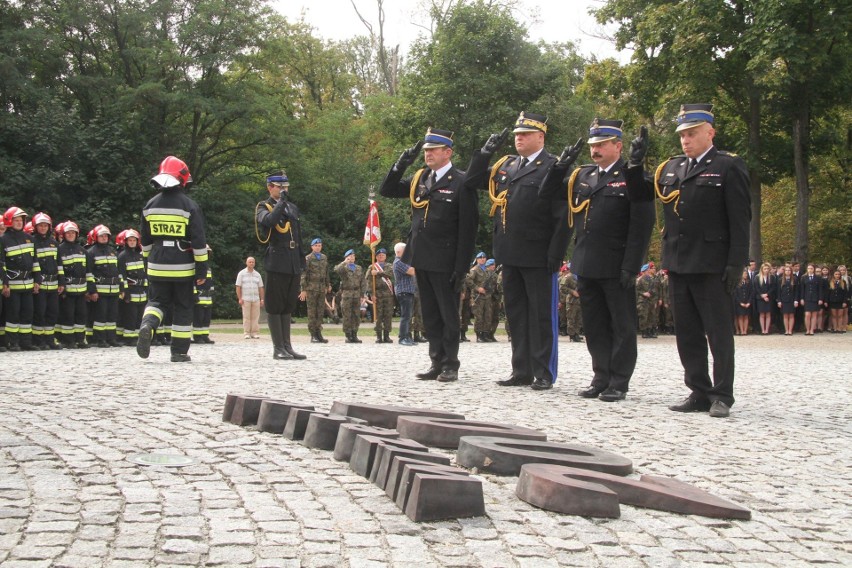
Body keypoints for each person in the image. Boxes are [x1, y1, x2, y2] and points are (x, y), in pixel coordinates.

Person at [629, 103, 751, 418]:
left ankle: (722, 394)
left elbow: (740, 220)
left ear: (710, 132)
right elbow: (641, 196)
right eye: (682, 134)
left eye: (692, 133)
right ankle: (698, 390)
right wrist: (634, 163)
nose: (685, 139)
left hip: (712, 263)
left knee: (719, 332)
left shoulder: (727, 166)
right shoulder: (671, 169)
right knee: (687, 333)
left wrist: (736, 263)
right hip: (679, 263)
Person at [539, 118, 654, 401]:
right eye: (593, 145)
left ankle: (619, 381)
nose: (596, 150)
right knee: (595, 325)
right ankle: (600, 375)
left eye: (602, 144)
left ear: (618, 146)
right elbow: (547, 193)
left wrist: (632, 264)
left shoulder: (632, 176)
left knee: (622, 326)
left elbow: (642, 225)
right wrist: (560, 166)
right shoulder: (583, 176)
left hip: (617, 264)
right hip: (586, 263)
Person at [467, 112, 570, 390]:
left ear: (541, 136)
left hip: (539, 254)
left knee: (541, 315)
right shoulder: (507, 166)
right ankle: (521, 370)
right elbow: (473, 180)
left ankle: (544, 372)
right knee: (516, 314)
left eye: (525, 134)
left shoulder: (554, 167)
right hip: (509, 252)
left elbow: (562, 216)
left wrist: (556, 253)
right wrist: (484, 153)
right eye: (516, 134)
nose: (519, 138)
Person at [378, 127, 479, 382]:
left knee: (447, 314)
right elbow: (387, 189)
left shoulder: (461, 181)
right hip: (421, 256)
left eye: (433, 150)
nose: (428, 154)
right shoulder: (421, 178)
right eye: (425, 150)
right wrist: (402, 162)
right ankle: (436, 360)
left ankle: (450, 364)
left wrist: (462, 267)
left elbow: (468, 229)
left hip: (446, 260)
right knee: (430, 314)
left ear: (448, 152)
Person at [136, 156, 209, 363]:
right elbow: (198, 241)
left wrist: (146, 263)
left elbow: (146, 241)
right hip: (182, 267)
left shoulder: (149, 205)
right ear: (183, 178)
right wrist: (201, 270)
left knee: (157, 302)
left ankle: (148, 326)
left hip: (157, 264)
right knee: (183, 307)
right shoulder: (189, 206)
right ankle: (178, 352)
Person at [255, 170, 306, 360]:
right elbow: (269, 222)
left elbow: (297, 234)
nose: (284, 190)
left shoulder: (292, 208)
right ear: (270, 187)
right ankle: (278, 348)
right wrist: (281, 203)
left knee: (287, 305)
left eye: (286, 187)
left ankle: (287, 346)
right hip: (277, 260)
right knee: (275, 305)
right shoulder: (264, 206)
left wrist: (301, 260)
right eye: (280, 187)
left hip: (292, 259)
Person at [1, 207, 39, 351]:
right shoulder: (3, 240)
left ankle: (26, 342)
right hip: (13, 284)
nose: (19, 223)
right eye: (16, 220)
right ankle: (13, 342)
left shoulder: (29, 238)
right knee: (13, 313)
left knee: (27, 312)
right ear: (9, 221)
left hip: (28, 283)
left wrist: (37, 280)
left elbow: (35, 261)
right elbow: (2, 264)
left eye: (21, 220)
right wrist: (5, 284)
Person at [31, 212, 62, 350]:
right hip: (41, 283)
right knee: (40, 312)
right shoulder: (32, 242)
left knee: (52, 312)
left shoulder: (54, 243)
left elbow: (59, 264)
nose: (43, 228)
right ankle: (39, 340)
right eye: (40, 226)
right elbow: (33, 263)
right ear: (35, 227)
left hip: (54, 284)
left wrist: (61, 282)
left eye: (45, 226)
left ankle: (50, 339)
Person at [87, 225, 122, 348]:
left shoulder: (112, 251)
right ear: (96, 237)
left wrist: (121, 288)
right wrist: (92, 291)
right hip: (100, 290)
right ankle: (100, 339)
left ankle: (111, 338)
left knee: (112, 315)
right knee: (100, 315)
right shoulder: (91, 252)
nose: (104, 238)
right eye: (101, 236)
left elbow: (118, 271)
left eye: (106, 236)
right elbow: (89, 273)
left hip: (114, 289)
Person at [117, 229, 147, 346]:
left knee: (140, 315)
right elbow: (121, 275)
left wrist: (146, 289)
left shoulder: (140, 256)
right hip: (130, 289)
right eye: (130, 240)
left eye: (134, 240)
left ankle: (137, 337)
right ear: (126, 242)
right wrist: (125, 291)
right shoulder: (122, 256)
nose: (132, 242)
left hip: (141, 290)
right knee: (130, 316)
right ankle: (129, 338)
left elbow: (144, 273)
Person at [299, 238, 330, 343]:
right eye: (316, 245)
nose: (318, 247)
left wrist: (327, 285)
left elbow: (326, 272)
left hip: (321, 288)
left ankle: (318, 333)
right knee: (312, 312)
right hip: (311, 288)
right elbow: (303, 274)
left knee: (320, 311)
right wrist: (303, 289)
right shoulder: (307, 258)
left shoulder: (324, 258)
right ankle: (313, 335)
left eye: (320, 245)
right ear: (312, 247)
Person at [335, 249, 365, 343]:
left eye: (353, 256)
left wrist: (363, 294)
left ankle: (354, 334)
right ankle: (348, 335)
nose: (352, 258)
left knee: (356, 315)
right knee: (347, 315)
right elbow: (336, 269)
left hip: (357, 294)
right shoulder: (344, 268)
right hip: (347, 294)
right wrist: (344, 262)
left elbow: (363, 281)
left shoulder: (358, 268)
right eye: (350, 256)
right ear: (346, 257)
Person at [366, 247, 395, 344]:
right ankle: (379, 336)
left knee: (388, 315)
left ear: (385, 256)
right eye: (379, 255)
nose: (381, 256)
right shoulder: (372, 267)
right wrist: (371, 294)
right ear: (376, 257)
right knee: (378, 315)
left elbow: (390, 275)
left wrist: (378, 272)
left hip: (387, 294)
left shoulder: (389, 266)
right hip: (377, 294)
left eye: (383, 255)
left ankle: (387, 336)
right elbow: (368, 281)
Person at [392, 242, 417, 346]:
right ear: (398, 251)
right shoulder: (398, 262)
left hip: (408, 291)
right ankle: (402, 338)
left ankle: (406, 336)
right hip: (404, 291)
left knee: (408, 315)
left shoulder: (404, 261)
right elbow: (411, 271)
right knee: (405, 316)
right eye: (405, 250)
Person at [235, 256, 264, 339]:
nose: (251, 263)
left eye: (253, 262)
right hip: (245, 299)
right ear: (246, 263)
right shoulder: (241, 274)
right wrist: (239, 298)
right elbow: (238, 287)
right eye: (250, 262)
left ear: (254, 263)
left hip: (256, 299)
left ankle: (254, 332)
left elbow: (261, 287)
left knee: (255, 317)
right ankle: (246, 332)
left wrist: (262, 299)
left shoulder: (257, 274)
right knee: (246, 316)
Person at [192, 246, 214, 344]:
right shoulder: (195, 266)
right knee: (198, 319)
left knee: (206, 319)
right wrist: (194, 294)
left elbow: (211, 283)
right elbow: (193, 282)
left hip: (208, 298)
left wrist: (213, 294)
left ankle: (205, 336)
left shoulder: (208, 267)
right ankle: (197, 337)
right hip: (199, 298)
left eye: (208, 253)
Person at [800, 263, 824, 335]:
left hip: (815, 298)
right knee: (807, 314)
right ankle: (807, 329)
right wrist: (801, 298)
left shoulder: (818, 278)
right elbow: (802, 289)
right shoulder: (803, 277)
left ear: (814, 269)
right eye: (809, 268)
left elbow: (820, 289)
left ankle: (812, 330)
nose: (810, 270)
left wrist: (820, 298)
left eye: (811, 268)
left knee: (814, 314)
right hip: (807, 298)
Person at [775, 265, 798, 336]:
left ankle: (790, 330)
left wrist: (796, 300)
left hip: (791, 300)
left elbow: (796, 291)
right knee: (785, 315)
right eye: (786, 270)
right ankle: (786, 330)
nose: (787, 272)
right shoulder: (780, 280)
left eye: (789, 270)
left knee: (791, 315)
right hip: (783, 300)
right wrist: (779, 301)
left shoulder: (794, 279)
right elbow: (778, 291)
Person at [753, 262, 775, 335]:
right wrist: (762, 295)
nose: (766, 270)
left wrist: (767, 294)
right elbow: (756, 288)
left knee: (768, 314)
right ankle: (763, 330)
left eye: (767, 268)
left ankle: (767, 329)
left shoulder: (771, 277)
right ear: (762, 269)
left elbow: (773, 287)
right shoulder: (757, 277)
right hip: (760, 298)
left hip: (769, 297)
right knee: (762, 314)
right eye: (765, 269)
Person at [733, 269, 753, 336]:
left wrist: (749, 302)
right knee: (740, 316)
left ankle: (745, 330)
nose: (745, 275)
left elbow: (751, 293)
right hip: (740, 302)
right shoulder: (737, 283)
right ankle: (741, 330)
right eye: (744, 274)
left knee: (746, 316)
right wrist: (740, 302)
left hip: (747, 301)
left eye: (746, 274)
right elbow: (735, 294)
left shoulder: (749, 282)